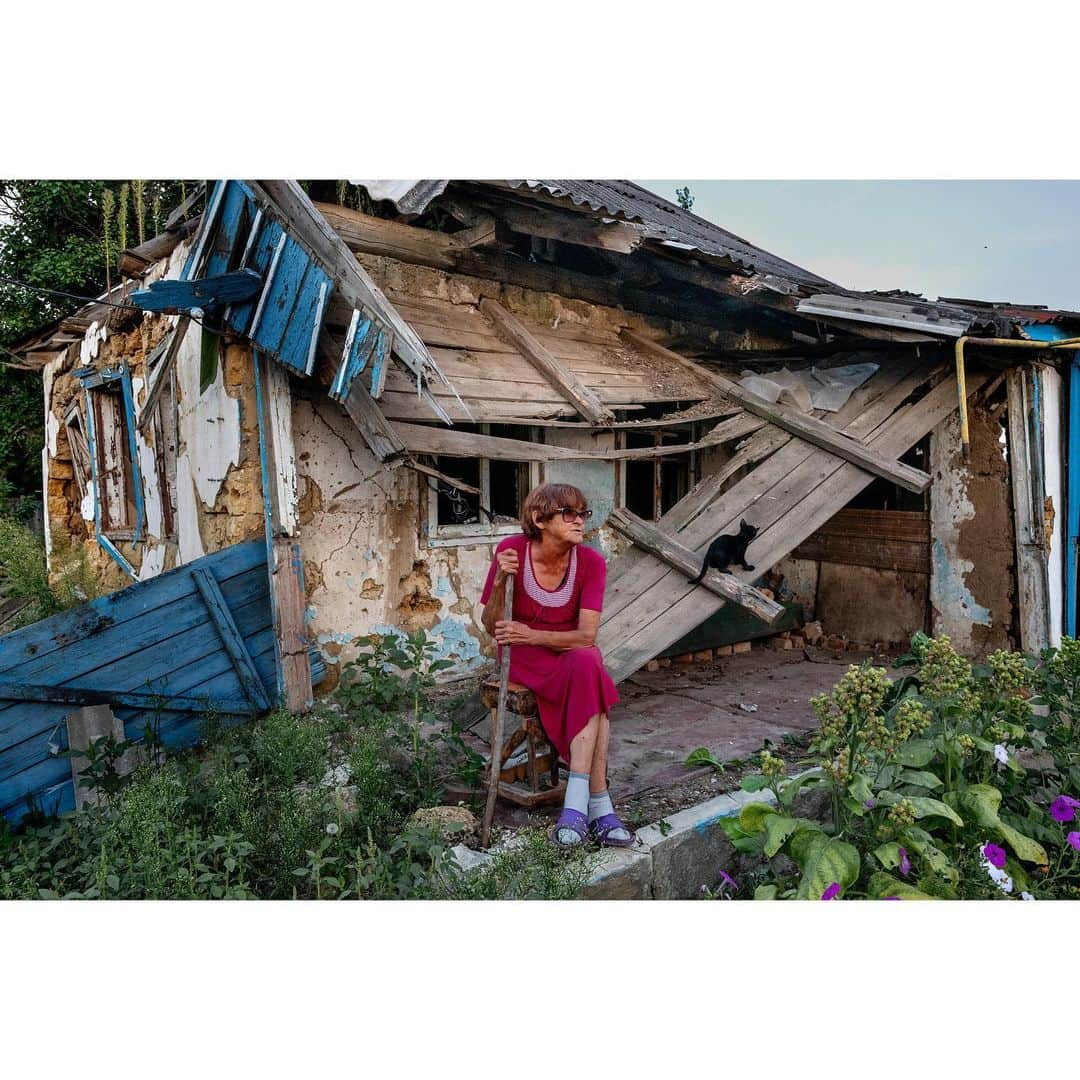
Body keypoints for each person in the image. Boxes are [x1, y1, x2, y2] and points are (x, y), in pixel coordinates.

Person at [480, 483, 633, 848]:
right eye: (569, 514)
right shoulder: (512, 551)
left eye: (583, 514)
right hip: (522, 656)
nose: (580, 521)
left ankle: (577, 807)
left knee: (588, 662)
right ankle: (598, 805)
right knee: (593, 677)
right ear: (539, 518)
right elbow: (491, 625)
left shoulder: (592, 563)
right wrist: (502, 579)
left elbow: (585, 636)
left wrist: (530, 633)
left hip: (561, 648)